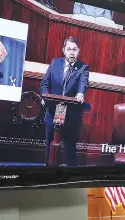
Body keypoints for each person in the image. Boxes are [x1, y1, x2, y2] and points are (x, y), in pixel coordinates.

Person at [40, 36, 89, 166]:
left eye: (74, 49)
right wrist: (45, 96)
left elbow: (83, 84)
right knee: (49, 151)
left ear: (78, 51)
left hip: (71, 116)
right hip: (52, 112)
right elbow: (45, 83)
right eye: (69, 49)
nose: (72, 52)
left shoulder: (83, 68)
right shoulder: (54, 63)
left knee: (70, 152)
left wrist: (80, 93)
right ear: (64, 50)